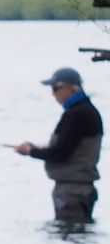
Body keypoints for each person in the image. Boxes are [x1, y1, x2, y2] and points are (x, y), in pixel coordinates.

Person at [13, 65, 102, 224]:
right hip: (82, 188)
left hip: (72, 191)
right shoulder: (86, 111)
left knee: (68, 235)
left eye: (56, 88)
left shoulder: (77, 114)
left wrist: (30, 151)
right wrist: (38, 149)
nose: (53, 93)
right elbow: (69, 147)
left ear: (71, 88)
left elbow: (60, 153)